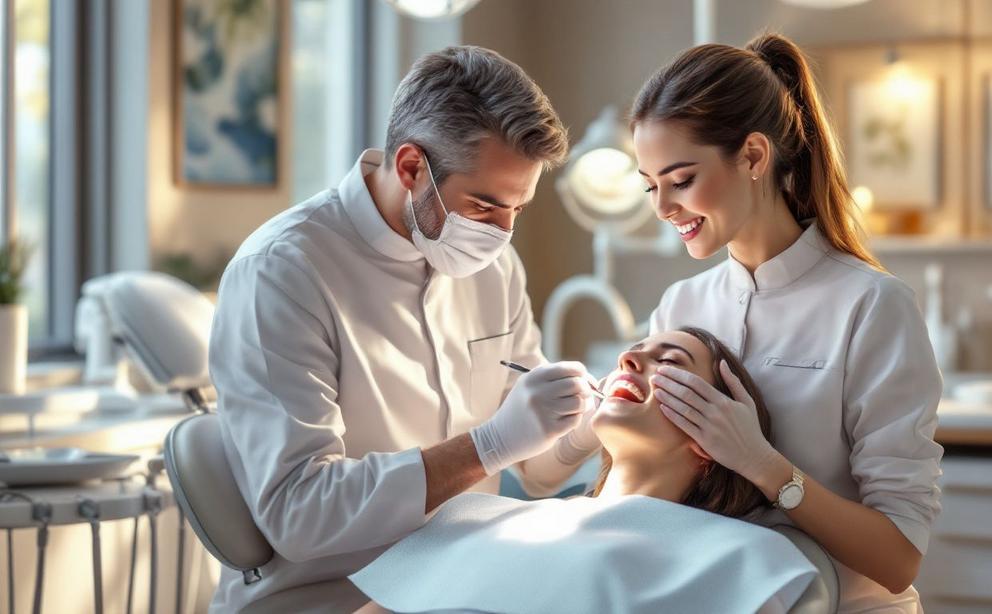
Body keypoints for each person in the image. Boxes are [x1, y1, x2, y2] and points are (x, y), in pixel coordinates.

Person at [208, 46, 603, 612]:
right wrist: (488, 444)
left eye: (519, 209)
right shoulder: (282, 271)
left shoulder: (495, 269)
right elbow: (299, 513)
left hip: (461, 581)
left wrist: (581, 428)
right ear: (412, 167)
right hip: (330, 596)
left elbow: (537, 474)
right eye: (485, 206)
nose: (502, 233)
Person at [633, 33, 944, 612]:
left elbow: (898, 560)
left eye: (681, 180)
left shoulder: (871, 305)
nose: (662, 207)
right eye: (650, 185)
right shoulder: (680, 306)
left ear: (754, 156)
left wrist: (764, 466)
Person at [351, 328, 819, 614]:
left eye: (669, 362)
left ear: (714, 435)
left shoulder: (739, 560)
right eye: (633, 351)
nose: (628, 360)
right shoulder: (482, 520)